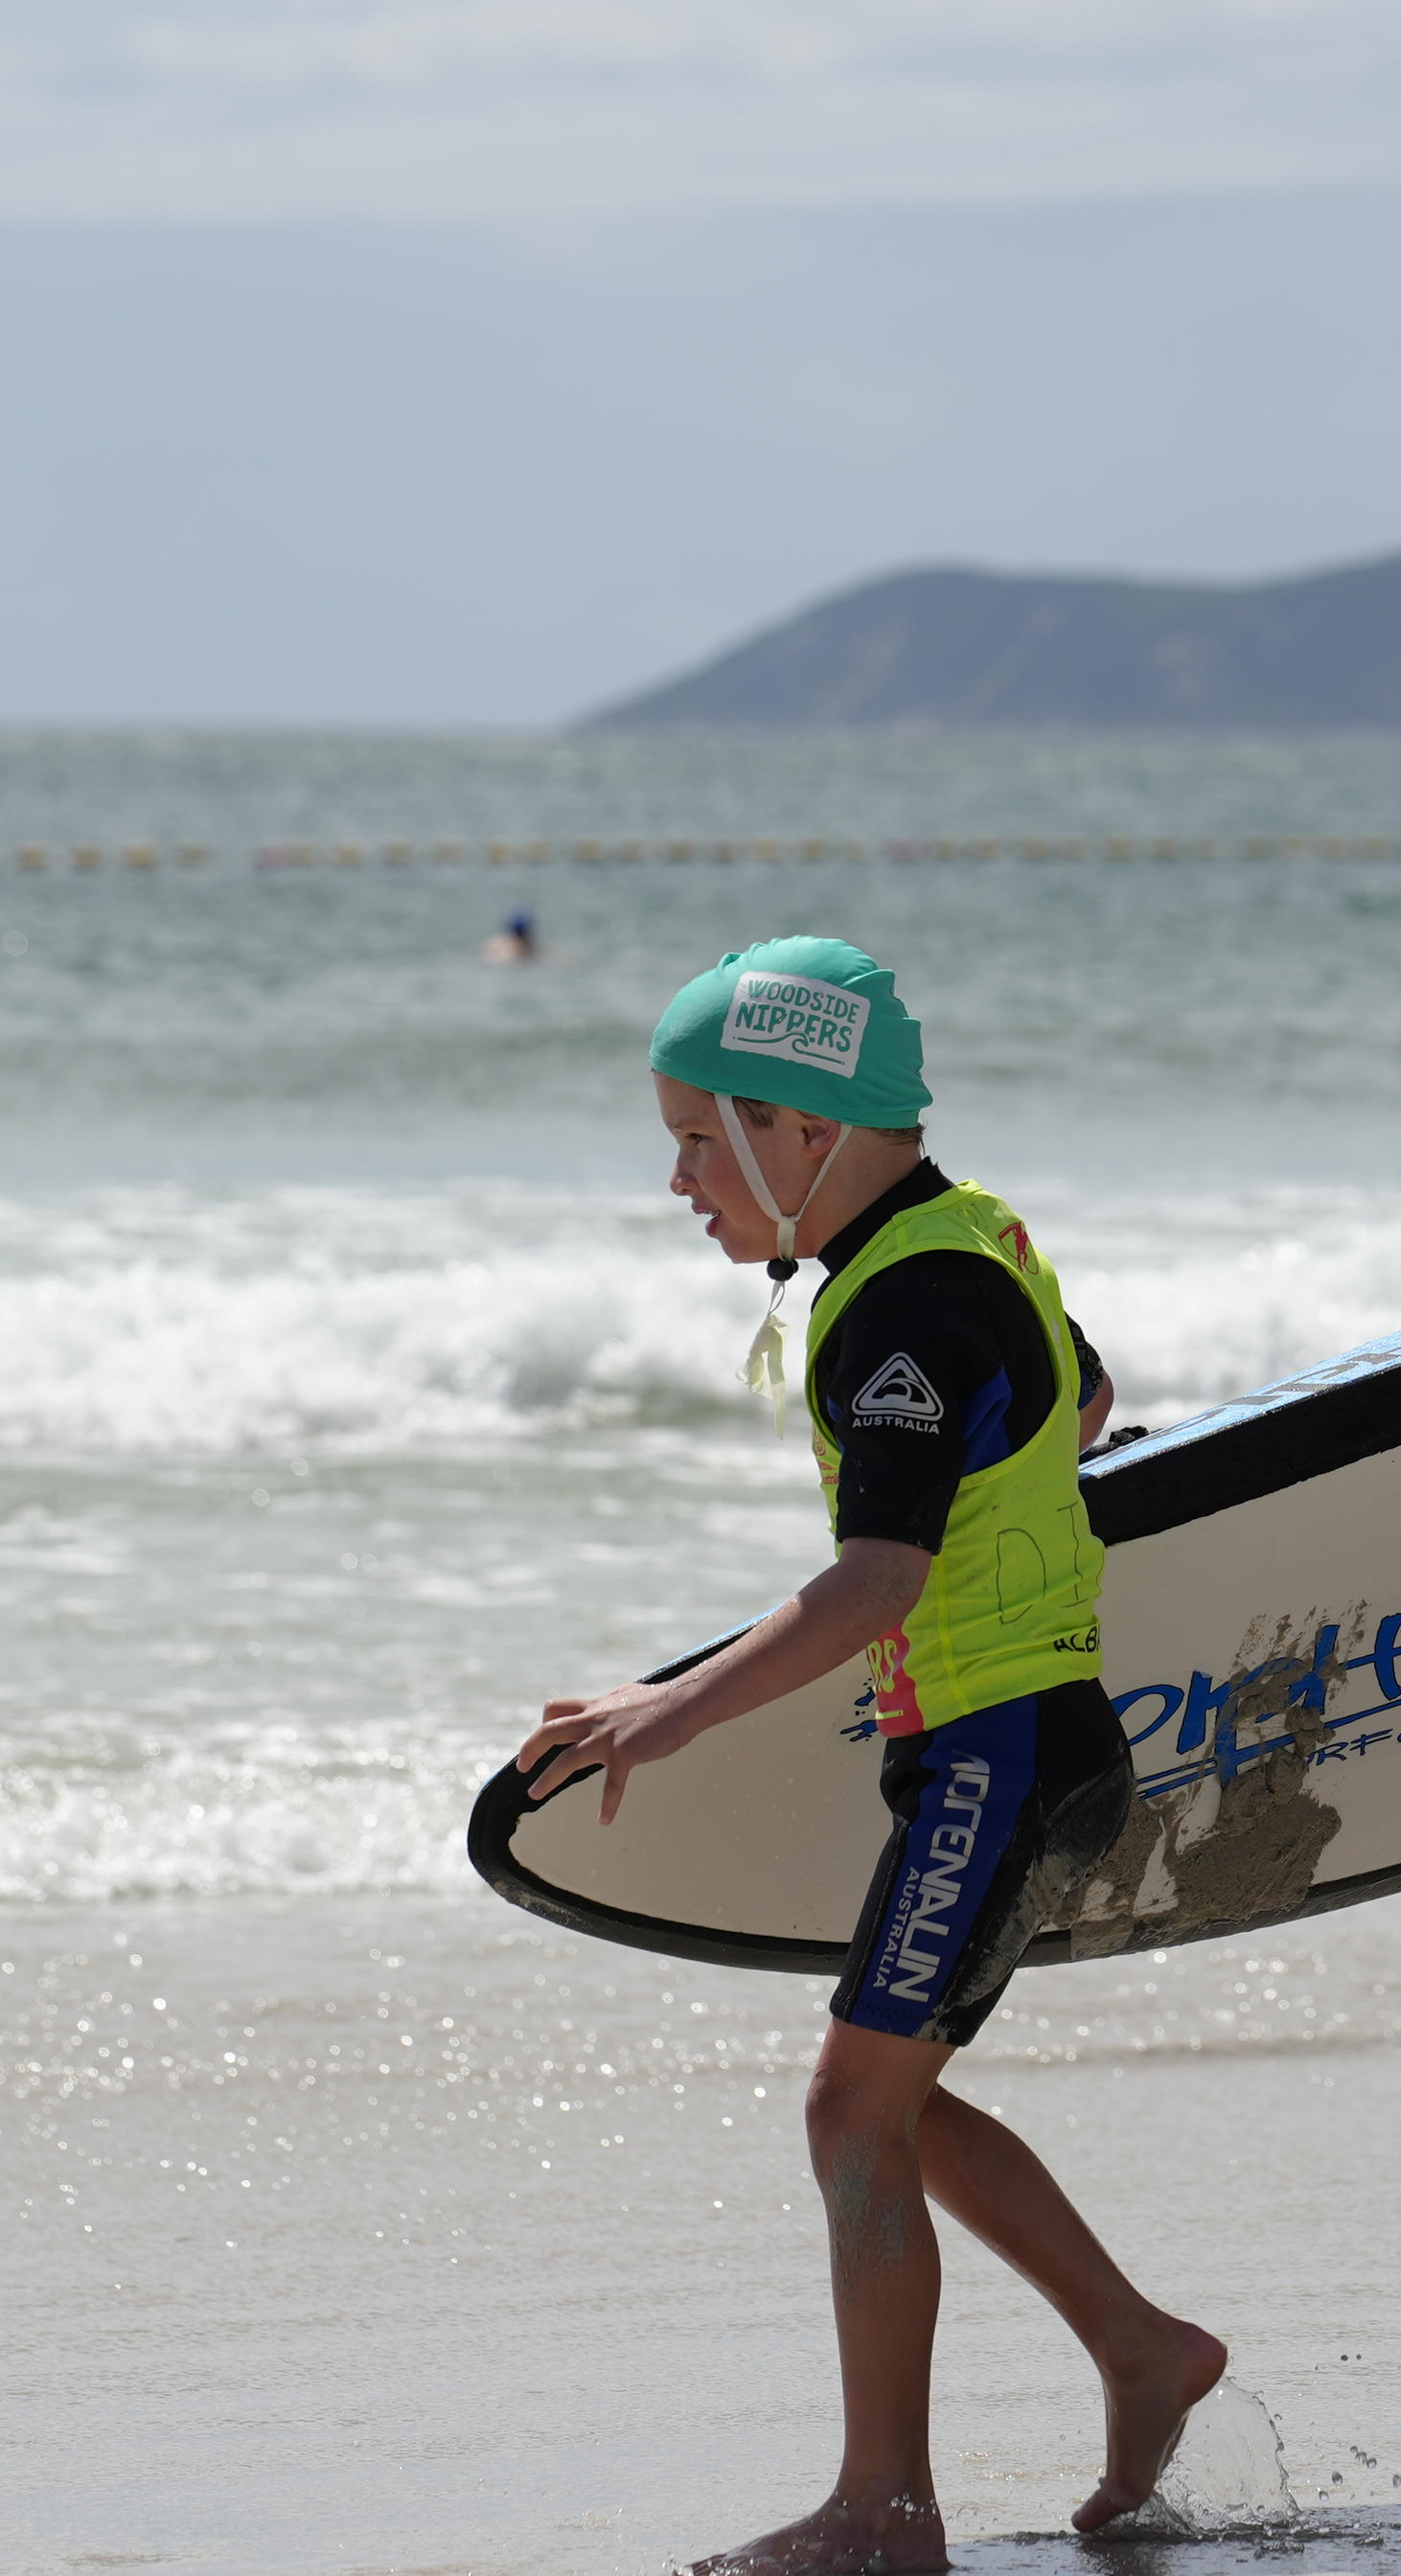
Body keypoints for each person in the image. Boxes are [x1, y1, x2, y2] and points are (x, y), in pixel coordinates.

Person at [516, 935, 1220, 2572]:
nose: (680, 1179)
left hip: (990, 1751)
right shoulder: (969, 1242)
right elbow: (1087, 1395)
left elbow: (876, 1582)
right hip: (1017, 1739)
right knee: (891, 2105)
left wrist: (663, 1713)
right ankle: (1140, 2346)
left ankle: (886, 2510)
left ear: (798, 1127)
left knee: (851, 2114)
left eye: (701, 1139)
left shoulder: (893, 1309)